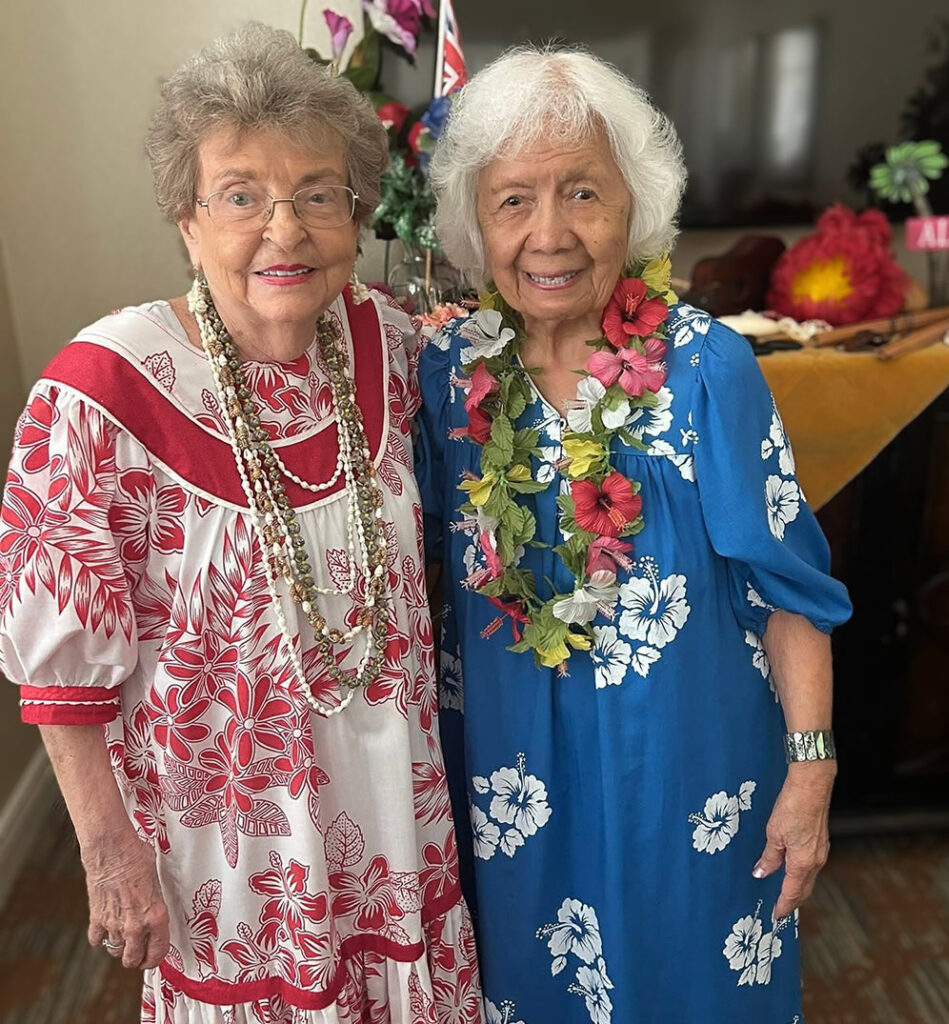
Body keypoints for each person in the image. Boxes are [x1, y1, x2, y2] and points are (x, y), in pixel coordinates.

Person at [0, 23, 480, 1024]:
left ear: (356, 214)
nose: (285, 229)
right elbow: (60, 675)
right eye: (241, 195)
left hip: (397, 823)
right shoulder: (100, 392)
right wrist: (107, 850)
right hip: (227, 852)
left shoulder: (394, 347)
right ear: (187, 220)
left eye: (318, 194)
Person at [416, 47, 852, 1023]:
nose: (550, 234)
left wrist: (812, 771)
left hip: (686, 791)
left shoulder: (707, 370)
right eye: (514, 200)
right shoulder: (445, 377)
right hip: (509, 791)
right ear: (476, 222)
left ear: (635, 204)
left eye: (583, 192)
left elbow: (790, 590)